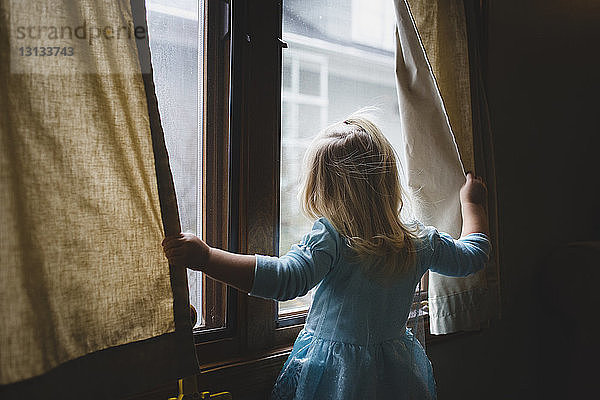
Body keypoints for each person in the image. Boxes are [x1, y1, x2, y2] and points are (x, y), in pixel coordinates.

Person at [162, 113, 490, 400]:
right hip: (396, 371)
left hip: (335, 376)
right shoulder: (419, 240)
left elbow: (284, 280)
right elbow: (473, 255)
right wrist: (472, 204)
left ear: (322, 189)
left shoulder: (331, 237)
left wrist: (206, 259)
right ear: (387, 181)